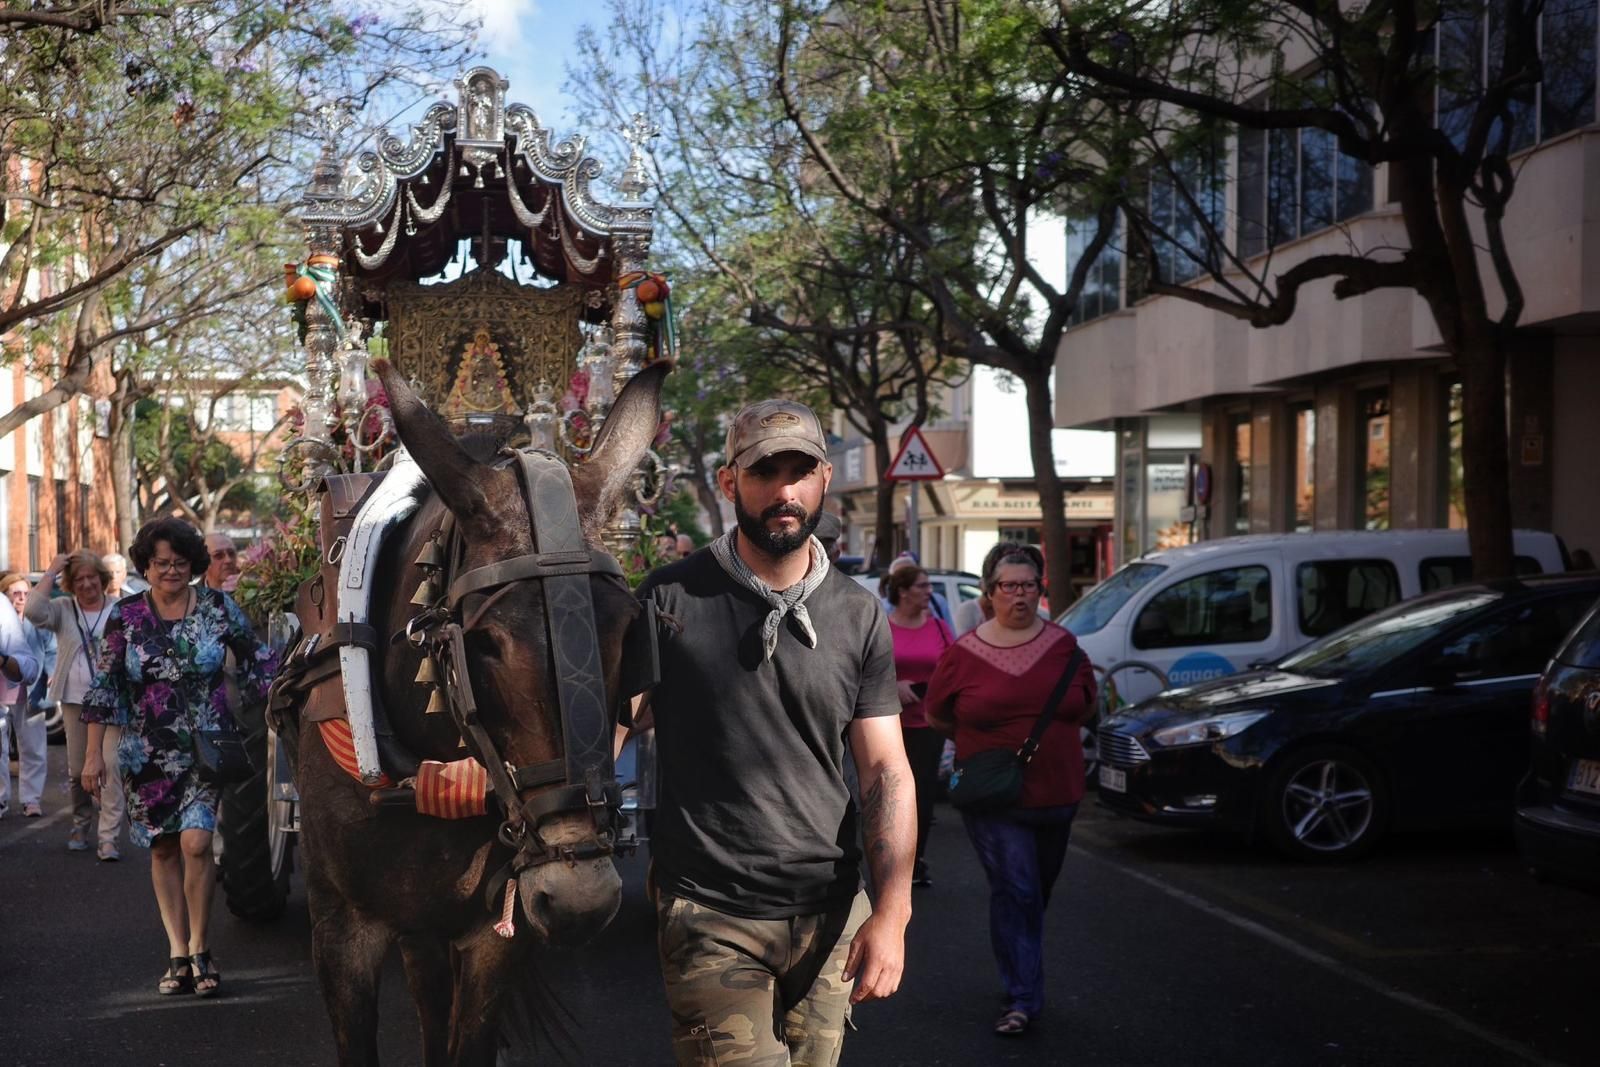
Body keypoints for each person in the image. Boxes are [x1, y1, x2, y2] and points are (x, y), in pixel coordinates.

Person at [632, 397, 915, 1065]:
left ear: (823, 480)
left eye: (800, 471)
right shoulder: (670, 599)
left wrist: (893, 914)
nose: (784, 491)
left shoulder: (858, 615)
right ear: (730, 481)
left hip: (830, 913)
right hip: (710, 911)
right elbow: (610, 731)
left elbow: (886, 771)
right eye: (765, 472)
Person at [81, 517, 276, 998]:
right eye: (160, 563)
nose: (170, 571)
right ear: (145, 565)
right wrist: (92, 757)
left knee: (195, 842)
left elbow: (258, 659)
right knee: (164, 847)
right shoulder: (125, 616)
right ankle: (177, 952)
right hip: (145, 752)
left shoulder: (216, 607)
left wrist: (286, 697)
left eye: (180, 563)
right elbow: (104, 687)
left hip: (206, 748)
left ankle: (201, 947)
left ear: (193, 565)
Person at [924, 544, 1096, 1038]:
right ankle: (1023, 997)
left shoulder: (1065, 646)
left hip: (1059, 795)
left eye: (1028, 586)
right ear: (989, 592)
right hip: (994, 797)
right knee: (1017, 888)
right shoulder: (964, 653)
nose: (1018, 596)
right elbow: (938, 714)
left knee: (1031, 894)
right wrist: (989, 753)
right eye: (1008, 586)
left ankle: (1018, 970)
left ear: (1041, 589)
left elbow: (1083, 707)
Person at [29, 552, 125, 859]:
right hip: (74, 700)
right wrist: (52, 571)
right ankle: (81, 822)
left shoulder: (119, 609)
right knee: (77, 770)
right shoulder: (63, 608)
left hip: (112, 702)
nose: (86, 584)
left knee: (110, 766)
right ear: (71, 583)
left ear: (102, 578)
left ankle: (107, 837)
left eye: (91, 577)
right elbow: (32, 611)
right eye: (79, 579)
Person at [884, 564, 954, 889]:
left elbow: (955, 667)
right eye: (923, 586)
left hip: (929, 721)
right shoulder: (883, 627)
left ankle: (915, 860)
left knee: (924, 794)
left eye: (929, 586)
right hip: (888, 723)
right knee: (892, 793)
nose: (929, 592)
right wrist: (894, 685)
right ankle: (887, 859)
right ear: (903, 591)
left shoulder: (939, 627)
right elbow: (862, 669)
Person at [0, 574, 47, 820]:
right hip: (2, 691)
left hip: (30, 691)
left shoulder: (35, 622)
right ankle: (1, 798)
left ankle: (31, 799)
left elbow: (51, 650)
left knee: (33, 747)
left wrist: (51, 676)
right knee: (1, 747)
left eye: (25, 593)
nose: (21, 598)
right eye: (15, 593)